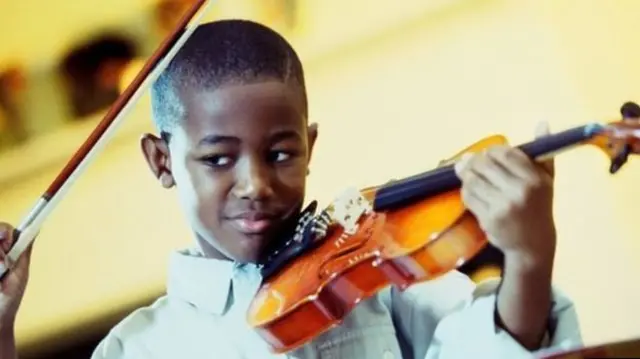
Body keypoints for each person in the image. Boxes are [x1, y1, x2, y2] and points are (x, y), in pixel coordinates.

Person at [0, 19, 582, 359]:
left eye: (281, 154)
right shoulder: (140, 347)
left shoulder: (374, 280)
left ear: (311, 145)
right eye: (218, 158)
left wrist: (529, 258)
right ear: (162, 161)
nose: (255, 185)